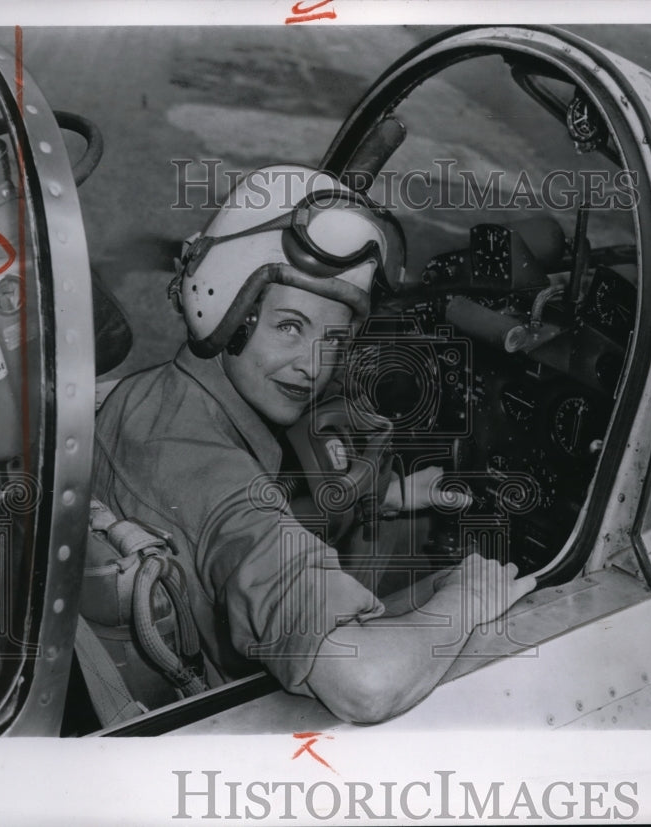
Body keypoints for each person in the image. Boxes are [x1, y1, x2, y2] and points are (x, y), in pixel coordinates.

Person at [92, 164, 535, 724]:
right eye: (289, 328)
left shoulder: (151, 400)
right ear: (228, 309)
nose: (312, 368)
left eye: (333, 340)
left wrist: (390, 496)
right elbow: (365, 684)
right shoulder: (213, 476)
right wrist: (466, 602)